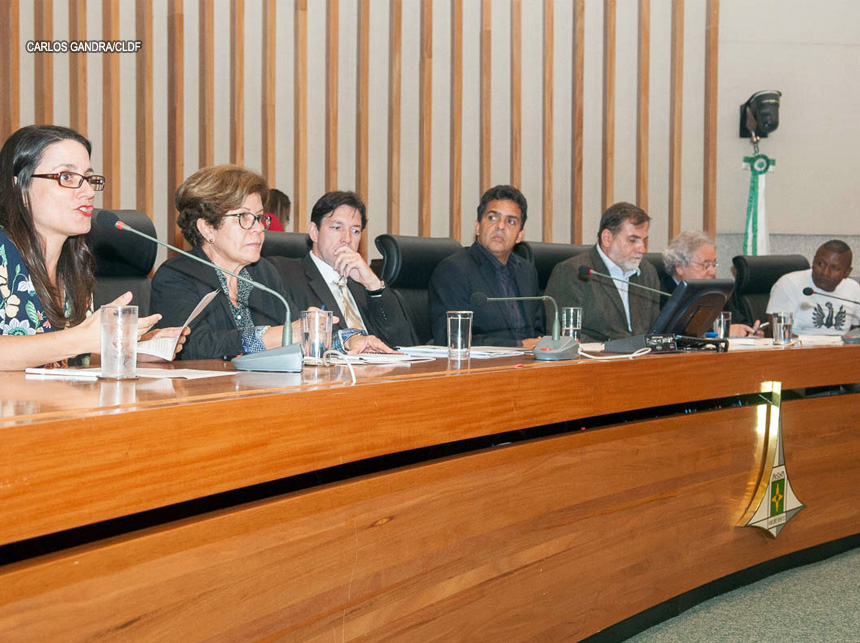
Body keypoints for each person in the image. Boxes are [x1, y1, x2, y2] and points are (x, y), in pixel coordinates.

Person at [0, 125, 184, 371]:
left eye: (88, 178)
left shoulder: (75, 263)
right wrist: (76, 340)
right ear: (19, 187)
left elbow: (73, 359)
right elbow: (69, 344)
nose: (87, 191)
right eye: (66, 177)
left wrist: (132, 348)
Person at [150, 165, 310, 360]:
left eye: (259, 218)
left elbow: (298, 330)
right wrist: (276, 336)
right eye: (243, 217)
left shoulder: (264, 272)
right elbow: (193, 346)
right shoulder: (176, 276)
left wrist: (345, 341)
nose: (258, 228)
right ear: (208, 228)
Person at [278, 191, 411, 351]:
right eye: (337, 228)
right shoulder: (286, 274)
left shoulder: (362, 284)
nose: (347, 239)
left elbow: (402, 341)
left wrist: (373, 284)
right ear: (314, 232)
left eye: (355, 231)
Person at [428, 185, 543, 347]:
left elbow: (537, 332)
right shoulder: (454, 270)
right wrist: (519, 346)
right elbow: (452, 338)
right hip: (482, 368)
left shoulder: (526, 271)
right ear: (477, 226)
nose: (501, 226)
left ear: (519, 235)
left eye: (510, 221)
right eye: (492, 218)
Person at [544, 202, 660, 343]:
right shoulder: (573, 272)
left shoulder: (647, 272)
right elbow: (564, 334)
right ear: (607, 238)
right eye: (633, 240)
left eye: (644, 241)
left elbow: (656, 330)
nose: (642, 249)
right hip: (597, 360)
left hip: (644, 360)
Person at [662, 230, 761, 337]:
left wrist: (750, 331)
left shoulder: (717, 291)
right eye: (705, 265)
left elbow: (739, 321)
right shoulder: (660, 293)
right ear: (680, 267)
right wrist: (719, 331)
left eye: (714, 264)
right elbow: (669, 333)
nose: (712, 272)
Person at [766, 240, 860, 335]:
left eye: (834, 268)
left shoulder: (854, 289)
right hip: (799, 347)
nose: (825, 273)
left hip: (842, 348)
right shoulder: (789, 283)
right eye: (820, 264)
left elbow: (855, 329)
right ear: (813, 261)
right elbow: (777, 332)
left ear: (847, 272)